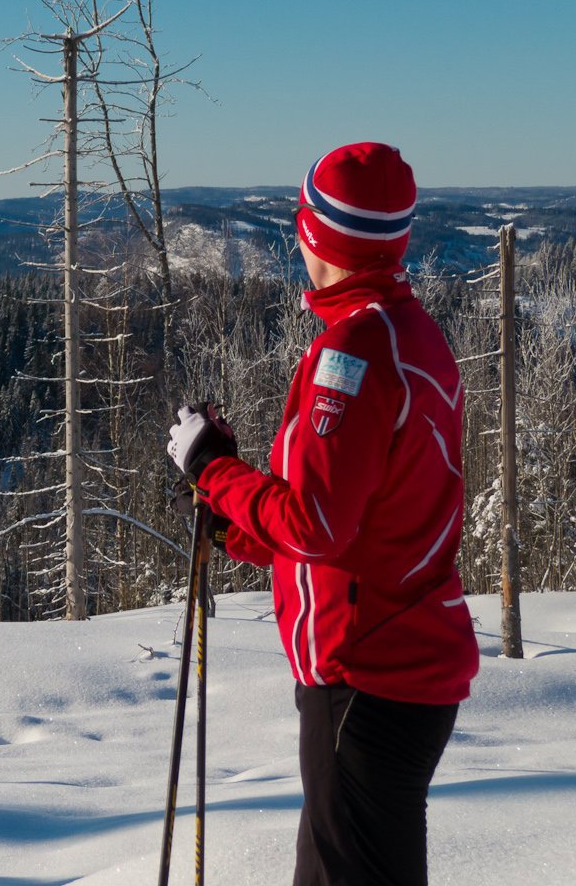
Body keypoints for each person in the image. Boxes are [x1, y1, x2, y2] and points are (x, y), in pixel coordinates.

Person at [166, 141, 479, 886]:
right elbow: (362, 523)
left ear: (320, 239)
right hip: (390, 668)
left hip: (366, 680)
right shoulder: (409, 334)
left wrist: (214, 468)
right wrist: (236, 522)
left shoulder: (358, 351)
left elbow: (316, 523)